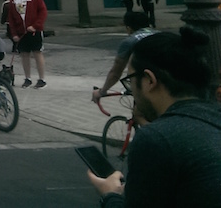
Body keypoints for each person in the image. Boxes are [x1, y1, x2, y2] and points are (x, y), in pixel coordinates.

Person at [88, 27, 221, 207]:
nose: (131, 90)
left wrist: (110, 195)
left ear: (149, 80)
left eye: (130, 81)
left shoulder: (155, 140)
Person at [91, 11, 156, 104]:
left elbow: (115, 73)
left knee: (139, 114)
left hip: (149, 85)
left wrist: (102, 91)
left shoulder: (130, 42)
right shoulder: (162, 35)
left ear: (129, 28)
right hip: (175, 84)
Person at [7, 0, 48, 89]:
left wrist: (36, 26)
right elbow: (11, 19)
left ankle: (41, 79)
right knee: (24, 54)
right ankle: (27, 78)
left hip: (34, 31)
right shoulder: (13, 0)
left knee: (37, 53)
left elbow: (43, 11)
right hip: (21, 32)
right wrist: (14, 34)